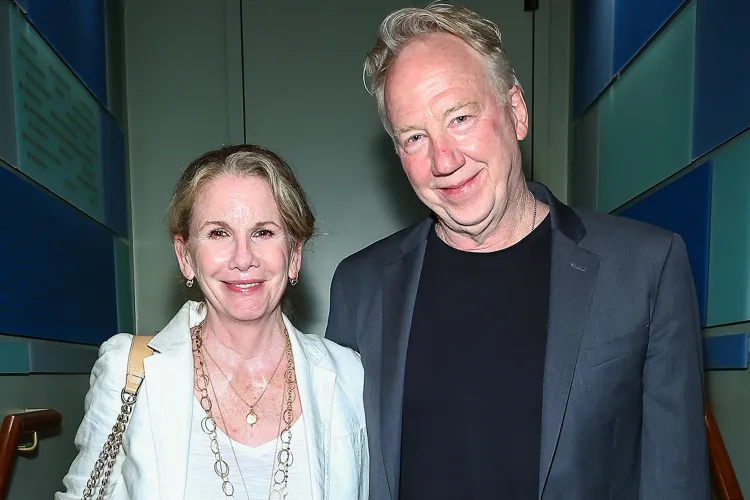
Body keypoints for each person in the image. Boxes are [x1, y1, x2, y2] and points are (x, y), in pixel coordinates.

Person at [325, 3, 708, 500]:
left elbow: (675, 480)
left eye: (460, 118)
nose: (444, 159)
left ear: (517, 112)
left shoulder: (645, 269)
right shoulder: (361, 286)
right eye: (415, 137)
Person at [57, 145, 369, 500]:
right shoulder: (129, 372)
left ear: (294, 254)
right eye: (219, 233)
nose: (243, 258)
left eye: (264, 232)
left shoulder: (349, 376)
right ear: (185, 256)